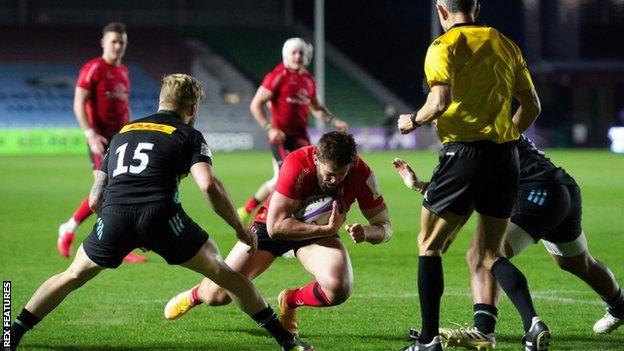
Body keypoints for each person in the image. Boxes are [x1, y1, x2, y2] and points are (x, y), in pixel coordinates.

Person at [10, 74, 312, 351]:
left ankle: (12, 335)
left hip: (114, 215)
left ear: (161, 101)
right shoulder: (188, 135)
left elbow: (93, 200)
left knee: (72, 274)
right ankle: (286, 340)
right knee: (224, 274)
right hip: (163, 217)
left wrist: (123, 228)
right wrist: (239, 228)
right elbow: (208, 186)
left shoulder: (123, 133)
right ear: (192, 108)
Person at [396, 1, 548, 350]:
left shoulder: (442, 46)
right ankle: (532, 323)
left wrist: (413, 121)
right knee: (492, 253)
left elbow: (439, 101)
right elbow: (533, 106)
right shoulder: (505, 43)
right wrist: (505, 135)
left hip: (462, 154)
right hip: (505, 157)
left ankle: (430, 340)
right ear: (476, 8)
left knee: (430, 245)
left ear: (441, 10)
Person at [394, 136, 624, 350]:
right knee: (577, 263)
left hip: (535, 192)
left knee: (483, 254)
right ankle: (620, 306)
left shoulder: (469, 138)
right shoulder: (493, 123)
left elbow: (462, 193)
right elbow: (473, 190)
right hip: (562, 190)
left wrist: (427, 194)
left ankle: (506, 328)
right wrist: (423, 187)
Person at [164, 131, 392, 337]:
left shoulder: (362, 174)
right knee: (218, 296)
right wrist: (326, 229)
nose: (335, 180)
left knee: (339, 288)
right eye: (330, 174)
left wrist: (367, 232)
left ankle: (290, 300)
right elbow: (276, 227)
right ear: (317, 159)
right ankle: (196, 294)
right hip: (271, 227)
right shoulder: (297, 163)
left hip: (316, 233)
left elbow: (385, 226)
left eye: (342, 173)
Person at [57, 22, 145, 263]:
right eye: (114, 41)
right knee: (106, 189)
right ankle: (111, 242)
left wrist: (129, 132)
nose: (118, 46)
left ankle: (72, 228)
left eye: (122, 42)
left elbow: (123, 106)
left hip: (119, 141)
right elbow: (78, 102)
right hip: (100, 139)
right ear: (103, 42)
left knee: (113, 190)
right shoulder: (94, 68)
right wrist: (90, 134)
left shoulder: (124, 72)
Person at [237, 37, 348, 222]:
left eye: (301, 53)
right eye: (294, 53)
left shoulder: (308, 81)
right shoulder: (277, 76)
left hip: (301, 139)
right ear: (286, 55)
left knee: (287, 179)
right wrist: (269, 128)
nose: (297, 56)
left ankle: (249, 209)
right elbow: (256, 104)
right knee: (286, 179)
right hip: (281, 138)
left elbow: (317, 108)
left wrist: (334, 120)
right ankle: (275, 223)